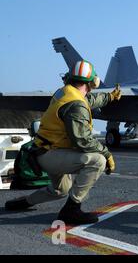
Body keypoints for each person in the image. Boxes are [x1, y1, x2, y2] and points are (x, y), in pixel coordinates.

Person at [5, 60, 122, 225]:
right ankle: (71, 210)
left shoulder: (65, 93)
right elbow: (83, 140)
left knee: (60, 190)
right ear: (92, 82)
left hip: (44, 151)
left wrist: (109, 97)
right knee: (98, 161)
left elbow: (90, 101)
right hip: (50, 154)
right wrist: (106, 153)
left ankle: (24, 202)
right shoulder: (76, 105)